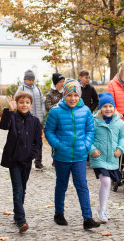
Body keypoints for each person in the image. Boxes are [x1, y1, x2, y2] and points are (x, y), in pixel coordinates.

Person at [44, 79, 100, 230]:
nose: (73, 98)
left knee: (82, 186)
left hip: (80, 156)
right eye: (69, 95)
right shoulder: (56, 111)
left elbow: (90, 130)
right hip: (62, 156)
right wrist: (58, 145)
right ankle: (59, 214)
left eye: (76, 95)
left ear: (80, 96)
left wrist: (86, 145)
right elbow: (48, 130)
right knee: (61, 185)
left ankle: (88, 218)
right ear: (64, 95)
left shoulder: (86, 111)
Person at [0, 91, 42, 233]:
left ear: (31, 104)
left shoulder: (35, 121)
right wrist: (9, 111)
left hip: (27, 161)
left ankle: (17, 212)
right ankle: (21, 220)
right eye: (21, 102)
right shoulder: (12, 117)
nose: (24, 105)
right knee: (17, 190)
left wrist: (32, 155)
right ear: (17, 104)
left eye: (27, 102)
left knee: (22, 189)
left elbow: (38, 142)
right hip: (13, 160)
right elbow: (3, 126)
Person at [89, 92, 124, 223]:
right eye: (105, 106)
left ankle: (103, 207)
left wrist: (120, 149)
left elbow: (123, 138)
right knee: (106, 182)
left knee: (108, 183)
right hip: (99, 157)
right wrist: (92, 149)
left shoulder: (120, 123)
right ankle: (101, 210)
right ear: (100, 108)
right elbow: (88, 138)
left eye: (111, 106)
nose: (108, 109)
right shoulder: (94, 122)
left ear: (114, 107)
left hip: (112, 158)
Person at [15, 70, 45, 169]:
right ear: (25, 80)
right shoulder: (21, 88)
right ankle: (25, 158)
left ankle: (38, 161)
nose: (31, 82)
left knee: (38, 140)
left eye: (33, 80)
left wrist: (43, 114)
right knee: (26, 139)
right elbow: (17, 102)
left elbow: (42, 102)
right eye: (29, 80)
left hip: (38, 119)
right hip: (26, 119)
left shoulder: (38, 89)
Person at [45, 73, 65, 167]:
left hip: (64, 120)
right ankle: (55, 158)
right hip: (54, 120)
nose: (62, 83)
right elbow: (48, 107)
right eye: (60, 82)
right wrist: (58, 105)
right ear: (56, 83)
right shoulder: (50, 94)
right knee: (55, 138)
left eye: (63, 81)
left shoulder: (65, 92)